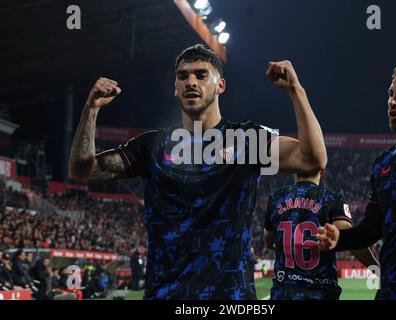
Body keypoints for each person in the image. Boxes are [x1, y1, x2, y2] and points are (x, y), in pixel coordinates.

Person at [68, 44, 327, 299]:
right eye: (183, 76)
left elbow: (312, 160)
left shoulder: (248, 139)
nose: (191, 81)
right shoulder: (151, 146)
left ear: (220, 86)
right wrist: (91, 109)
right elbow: (82, 172)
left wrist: (296, 91)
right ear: (175, 88)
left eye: (201, 75)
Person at [316, 61, 396, 300]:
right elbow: (372, 229)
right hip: (390, 290)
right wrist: (340, 238)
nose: (392, 101)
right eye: (391, 94)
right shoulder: (384, 163)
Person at [264, 172, 379, 300]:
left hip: (283, 293)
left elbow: (268, 241)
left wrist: (287, 246)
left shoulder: (275, 198)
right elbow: (351, 241)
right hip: (321, 293)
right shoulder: (331, 198)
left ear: (295, 170)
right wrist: (377, 269)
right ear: (322, 170)